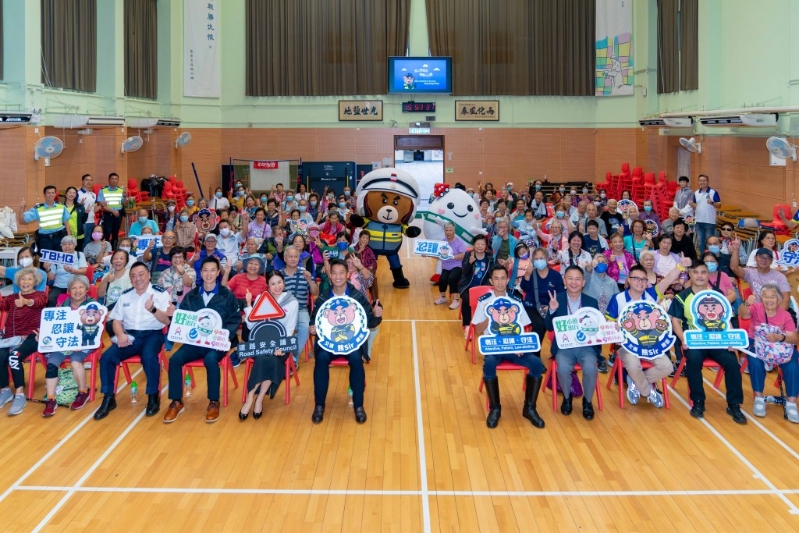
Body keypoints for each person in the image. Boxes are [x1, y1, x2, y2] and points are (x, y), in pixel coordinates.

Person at [163, 257, 241, 424]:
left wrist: (226, 336)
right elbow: (183, 319)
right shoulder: (192, 295)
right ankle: (176, 401)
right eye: (205, 270)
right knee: (175, 359)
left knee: (210, 359)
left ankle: (213, 402)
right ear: (201, 272)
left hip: (216, 344)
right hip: (194, 342)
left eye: (213, 270)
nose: (209, 274)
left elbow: (234, 319)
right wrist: (173, 315)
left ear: (218, 272)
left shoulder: (227, 295)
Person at [94, 262, 174, 420]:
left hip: (153, 334)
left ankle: (153, 396)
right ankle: (109, 398)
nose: (137, 278)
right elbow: (116, 320)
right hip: (129, 335)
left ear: (149, 275)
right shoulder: (125, 295)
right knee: (107, 357)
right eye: (133, 276)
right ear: (130, 279)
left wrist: (153, 309)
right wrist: (120, 334)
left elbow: (166, 321)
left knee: (149, 357)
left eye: (141, 274)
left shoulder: (160, 293)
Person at [606, 260, 690, 409]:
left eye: (643, 279)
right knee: (633, 364)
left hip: (650, 344)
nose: (640, 282)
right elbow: (608, 324)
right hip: (627, 346)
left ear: (647, 282)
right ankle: (648, 391)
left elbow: (669, 279)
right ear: (628, 280)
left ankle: (636, 383)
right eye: (636, 279)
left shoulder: (652, 294)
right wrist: (616, 328)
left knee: (667, 367)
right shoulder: (617, 299)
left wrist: (681, 266)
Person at [670, 260, 747, 423]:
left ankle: (734, 404)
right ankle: (698, 401)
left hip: (718, 341)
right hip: (694, 342)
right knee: (694, 361)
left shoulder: (718, 295)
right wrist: (684, 339)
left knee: (733, 363)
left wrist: (731, 339)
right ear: (690, 274)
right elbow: (675, 321)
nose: (699, 276)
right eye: (696, 272)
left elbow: (728, 319)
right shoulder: (682, 297)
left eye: (703, 272)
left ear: (708, 275)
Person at [309, 259, 382, 425]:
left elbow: (370, 322)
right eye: (334, 273)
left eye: (341, 273)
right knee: (321, 360)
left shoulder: (356, 296)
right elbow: (315, 319)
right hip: (328, 344)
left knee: (356, 360)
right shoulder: (323, 296)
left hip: (352, 344)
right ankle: (319, 405)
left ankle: (358, 406)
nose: (338, 276)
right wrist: (312, 327)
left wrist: (377, 315)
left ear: (347, 274)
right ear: (330, 275)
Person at [472, 265, 546, 429]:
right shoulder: (484, 302)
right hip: (494, 347)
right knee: (489, 364)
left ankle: (530, 408)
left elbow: (525, 327)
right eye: (496, 279)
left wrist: (520, 344)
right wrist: (489, 317)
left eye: (503, 278)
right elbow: (477, 330)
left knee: (536, 364)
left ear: (507, 280)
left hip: (514, 348)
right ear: (491, 281)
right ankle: (495, 408)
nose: (499, 282)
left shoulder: (516, 301)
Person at [544, 265, 601, 419]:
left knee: (590, 367)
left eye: (578, 279)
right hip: (564, 346)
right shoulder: (557, 299)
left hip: (586, 347)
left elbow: (598, 330)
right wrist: (552, 310)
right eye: (570, 278)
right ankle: (567, 397)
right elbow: (548, 327)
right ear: (564, 280)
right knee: (562, 368)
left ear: (583, 282)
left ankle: (587, 401)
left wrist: (598, 351)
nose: (574, 282)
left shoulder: (592, 302)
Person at [738, 283, 799, 423]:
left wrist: (780, 337)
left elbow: (794, 339)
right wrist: (746, 303)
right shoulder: (756, 307)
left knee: (792, 364)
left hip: (780, 346)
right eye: (765, 296)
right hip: (756, 342)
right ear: (761, 298)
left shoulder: (786, 315)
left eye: (773, 297)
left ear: (779, 299)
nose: (769, 300)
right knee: (755, 361)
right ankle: (759, 398)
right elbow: (743, 314)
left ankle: (791, 403)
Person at [40, 275, 99, 416]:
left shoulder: (93, 306)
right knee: (52, 364)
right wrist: (42, 336)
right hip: (64, 343)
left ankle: (83, 391)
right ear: (69, 290)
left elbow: (95, 329)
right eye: (74, 288)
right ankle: (51, 399)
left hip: (86, 342)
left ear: (87, 289)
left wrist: (81, 343)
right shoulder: (63, 305)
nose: (77, 290)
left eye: (81, 287)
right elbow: (54, 327)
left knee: (75, 360)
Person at [0, 268, 48, 416]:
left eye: (29, 279)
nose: (25, 282)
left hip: (32, 337)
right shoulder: (11, 298)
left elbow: (38, 302)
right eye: (23, 279)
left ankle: (20, 395)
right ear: (18, 281)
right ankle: (5, 390)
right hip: (10, 338)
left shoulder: (41, 295)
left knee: (14, 356)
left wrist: (27, 301)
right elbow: (1, 306)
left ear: (35, 282)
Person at [519, 248, 564, 357]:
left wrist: (551, 307)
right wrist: (526, 276)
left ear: (547, 259)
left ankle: (559, 354)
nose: (539, 261)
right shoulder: (531, 273)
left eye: (542, 258)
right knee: (540, 323)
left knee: (562, 322)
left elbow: (561, 294)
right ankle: (534, 356)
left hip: (551, 307)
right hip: (532, 307)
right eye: (537, 258)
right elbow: (524, 288)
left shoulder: (555, 276)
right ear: (533, 260)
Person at [281, 245, 319, 367]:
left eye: (296, 256)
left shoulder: (305, 273)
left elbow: (315, 292)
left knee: (305, 327)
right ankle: (280, 356)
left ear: (299, 259)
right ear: (285, 258)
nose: (293, 259)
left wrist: (309, 281)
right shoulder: (279, 275)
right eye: (290, 256)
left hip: (301, 309)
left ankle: (292, 358)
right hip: (283, 310)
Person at [729, 243, 791, 310]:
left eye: (768, 258)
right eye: (761, 257)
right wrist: (736, 250)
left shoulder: (780, 277)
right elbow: (734, 268)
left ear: (771, 261)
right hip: (758, 310)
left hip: (776, 309)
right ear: (755, 258)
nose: (764, 260)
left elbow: (786, 299)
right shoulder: (750, 273)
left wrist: (775, 316)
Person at [18, 185, 71, 254]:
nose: (51, 195)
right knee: (45, 261)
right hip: (45, 239)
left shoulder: (61, 206)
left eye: (53, 193)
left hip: (59, 237)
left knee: (60, 259)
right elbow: (22, 221)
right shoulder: (38, 208)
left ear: (55, 194)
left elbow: (66, 222)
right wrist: (22, 208)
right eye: (48, 193)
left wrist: (69, 236)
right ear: (44, 194)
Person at [458, 234, 495, 331]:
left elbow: (492, 272)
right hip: (467, 286)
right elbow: (464, 272)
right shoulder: (468, 255)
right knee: (466, 299)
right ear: (473, 245)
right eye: (478, 244)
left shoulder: (489, 257)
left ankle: (483, 323)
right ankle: (467, 325)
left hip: (483, 287)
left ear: (485, 246)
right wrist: (470, 263)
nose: (480, 246)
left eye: (482, 244)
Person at [44, 235, 88, 307]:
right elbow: (51, 278)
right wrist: (47, 269)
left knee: (77, 299)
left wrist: (72, 271)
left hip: (76, 285)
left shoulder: (79, 255)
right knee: (50, 298)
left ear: (74, 245)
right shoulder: (56, 257)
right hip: (59, 286)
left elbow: (84, 271)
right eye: (64, 245)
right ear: (61, 246)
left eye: (69, 244)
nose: (67, 246)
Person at [434, 223, 467, 309]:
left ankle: (456, 300)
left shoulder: (459, 242)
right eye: (447, 230)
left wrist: (452, 256)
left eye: (450, 230)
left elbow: (463, 255)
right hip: (446, 266)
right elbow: (438, 255)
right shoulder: (442, 242)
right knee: (442, 279)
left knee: (452, 278)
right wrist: (426, 254)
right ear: (444, 231)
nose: (448, 232)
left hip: (457, 266)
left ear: (454, 231)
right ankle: (443, 297)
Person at [690, 174, 720, 256]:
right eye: (700, 180)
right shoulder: (696, 193)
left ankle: (710, 257)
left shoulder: (713, 192)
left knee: (710, 241)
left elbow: (719, 205)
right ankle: (703, 257)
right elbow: (696, 207)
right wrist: (692, 204)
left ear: (707, 181)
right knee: (700, 240)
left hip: (709, 221)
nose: (702, 182)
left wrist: (712, 202)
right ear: (698, 182)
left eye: (704, 180)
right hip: (698, 220)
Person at [98, 173, 125, 249]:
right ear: (109, 180)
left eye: (116, 179)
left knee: (115, 233)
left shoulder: (121, 190)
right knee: (107, 233)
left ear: (118, 180)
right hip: (108, 215)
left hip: (118, 215)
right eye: (112, 179)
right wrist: (112, 211)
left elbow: (124, 203)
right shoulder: (103, 190)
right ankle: (106, 250)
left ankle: (114, 250)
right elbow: (102, 205)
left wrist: (125, 197)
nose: (114, 180)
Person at [77, 174, 97, 248]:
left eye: (91, 180)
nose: (89, 182)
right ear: (82, 181)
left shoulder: (93, 195)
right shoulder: (77, 194)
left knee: (90, 242)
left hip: (91, 221)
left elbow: (93, 209)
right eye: (87, 180)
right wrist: (80, 204)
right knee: (82, 242)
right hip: (82, 222)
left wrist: (102, 205)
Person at [63, 186, 86, 251]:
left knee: (78, 253)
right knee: (67, 253)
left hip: (78, 236)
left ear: (76, 195)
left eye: (74, 193)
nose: (72, 194)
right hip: (65, 234)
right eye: (70, 192)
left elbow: (83, 221)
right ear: (66, 194)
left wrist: (86, 213)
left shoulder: (80, 206)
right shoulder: (61, 207)